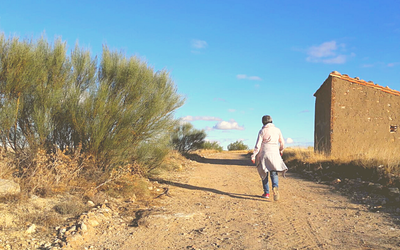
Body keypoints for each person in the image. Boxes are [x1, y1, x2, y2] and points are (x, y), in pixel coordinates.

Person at [251, 115, 288, 201]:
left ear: (263, 122)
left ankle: (266, 193)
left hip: (264, 153)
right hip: (274, 153)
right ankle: (275, 187)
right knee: (274, 172)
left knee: (264, 173)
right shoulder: (277, 130)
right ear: (271, 121)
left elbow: (258, 145)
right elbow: (282, 143)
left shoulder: (262, 131)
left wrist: (253, 155)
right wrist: (281, 151)